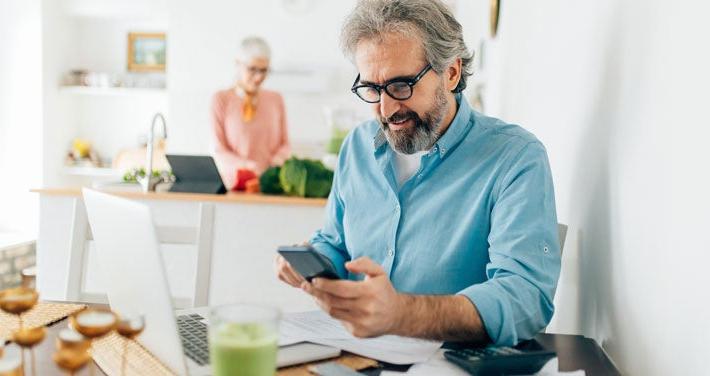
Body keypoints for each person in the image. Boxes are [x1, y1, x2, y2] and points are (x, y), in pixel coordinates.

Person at [275, 0, 561, 346]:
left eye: (400, 86)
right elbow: (337, 244)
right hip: (355, 353)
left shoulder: (514, 157)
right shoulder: (357, 147)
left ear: (451, 73)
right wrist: (312, 263)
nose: (385, 109)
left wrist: (402, 314)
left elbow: (526, 299)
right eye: (372, 89)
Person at [211, 36, 290, 189]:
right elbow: (219, 149)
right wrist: (249, 167)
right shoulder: (221, 99)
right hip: (233, 186)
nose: (259, 77)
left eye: (264, 70)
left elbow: (285, 145)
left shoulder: (276, 99)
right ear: (238, 64)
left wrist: (273, 166)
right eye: (252, 69)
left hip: (270, 185)